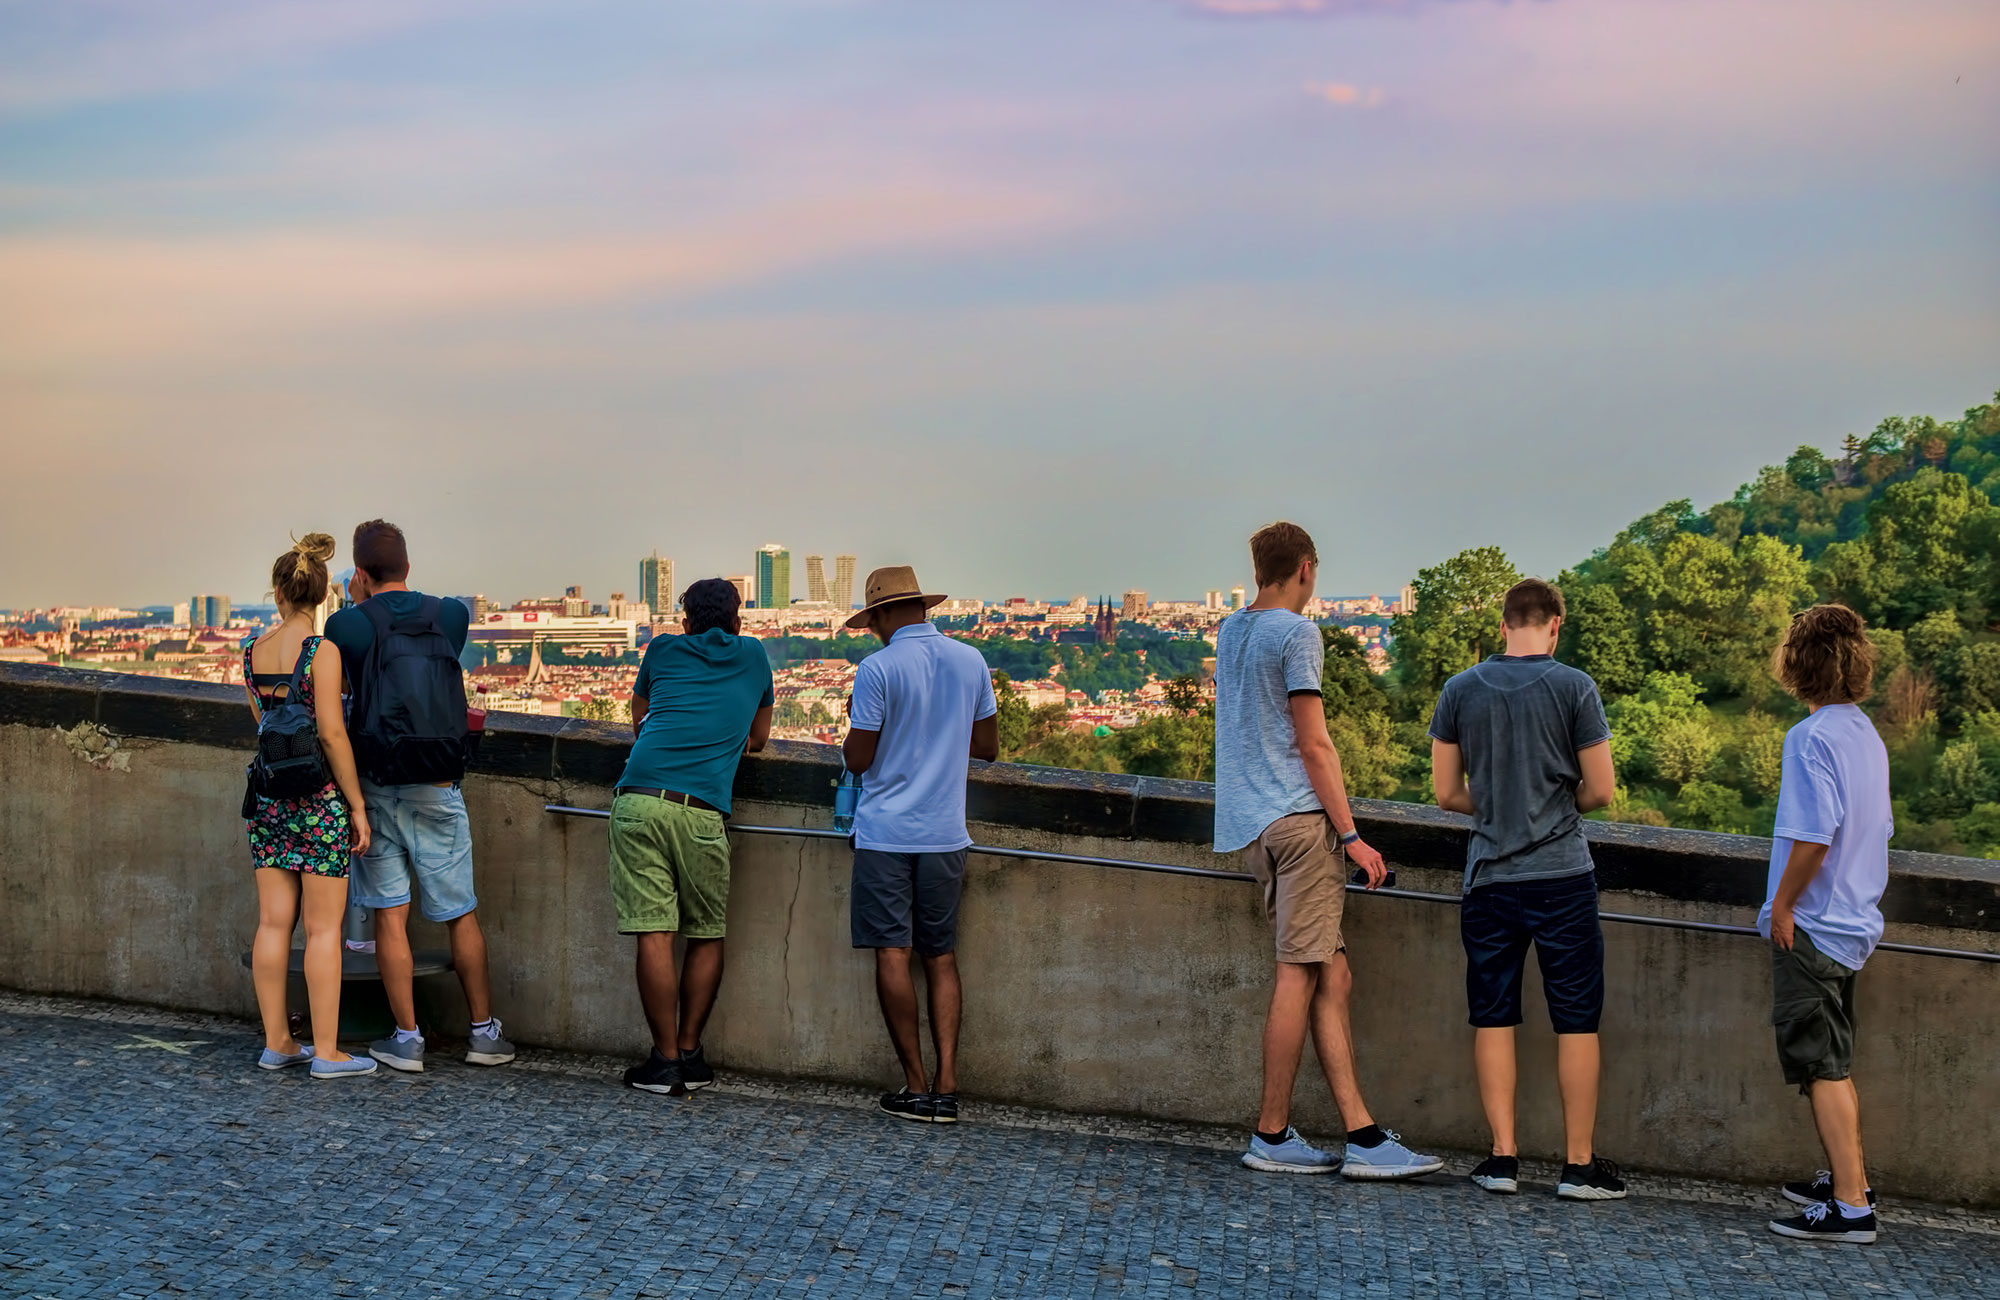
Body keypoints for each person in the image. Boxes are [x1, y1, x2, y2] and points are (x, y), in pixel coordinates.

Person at [1215, 522, 1442, 1180]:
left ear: (1260, 569)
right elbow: (1315, 745)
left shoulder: (1232, 630)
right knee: (1297, 972)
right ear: (1307, 569)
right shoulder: (1297, 634)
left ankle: (1363, 1135)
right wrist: (1350, 836)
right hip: (1299, 823)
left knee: (1329, 973)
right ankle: (1272, 1132)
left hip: (1253, 827)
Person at [1430, 578, 1625, 1200]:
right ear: (1555, 624)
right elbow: (1601, 790)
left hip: (1490, 877)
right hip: (1562, 876)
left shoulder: (1459, 690)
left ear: (1504, 622)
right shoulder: (1575, 688)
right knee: (1577, 1021)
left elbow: (1445, 794)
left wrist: (1498, 810)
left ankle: (1502, 1158)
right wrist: (1549, 805)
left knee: (1493, 1015)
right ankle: (1577, 1166)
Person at [324, 519, 513, 1073]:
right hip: (437, 783)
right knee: (461, 912)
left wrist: (356, 603)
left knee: (389, 914)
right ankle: (483, 1033)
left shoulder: (347, 625)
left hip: (376, 786)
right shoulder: (450, 613)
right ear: (408, 565)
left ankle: (406, 1040)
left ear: (359, 573)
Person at [842, 566, 999, 1124]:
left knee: (893, 953)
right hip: (945, 832)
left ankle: (914, 1085)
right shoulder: (970, 660)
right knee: (941, 957)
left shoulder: (878, 669)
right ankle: (949, 1084)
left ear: (883, 615)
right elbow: (986, 747)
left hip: (886, 833)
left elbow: (857, 759)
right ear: (922, 607)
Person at [609, 578, 774, 1096]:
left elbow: (640, 717)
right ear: (737, 621)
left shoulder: (660, 648)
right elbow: (760, 739)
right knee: (706, 932)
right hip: (702, 810)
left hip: (638, 798)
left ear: (685, 623)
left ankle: (663, 1063)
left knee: (654, 934)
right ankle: (689, 1052)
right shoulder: (754, 657)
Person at [1759, 605, 1889, 1244]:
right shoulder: (1864, 732)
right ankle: (1851, 1181)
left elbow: (1813, 837)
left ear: (1796, 664)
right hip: (1854, 920)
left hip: (1814, 923)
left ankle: (1849, 1208)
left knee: (1821, 1066)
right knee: (1834, 1059)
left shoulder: (1809, 739)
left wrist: (1781, 906)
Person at [240, 534, 377, 1080]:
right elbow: (332, 735)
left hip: (269, 798)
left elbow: (265, 726)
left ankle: (277, 1042)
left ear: (278, 593)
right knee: (324, 930)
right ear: (320, 597)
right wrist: (357, 806)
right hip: (318, 802)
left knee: (273, 923)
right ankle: (326, 1051)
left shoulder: (251, 652)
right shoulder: (322, 653)